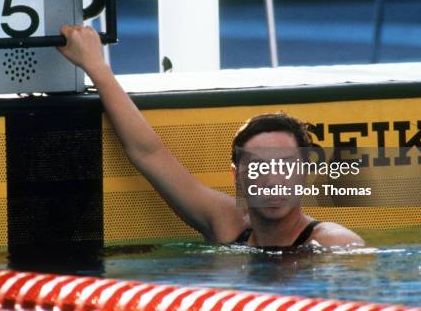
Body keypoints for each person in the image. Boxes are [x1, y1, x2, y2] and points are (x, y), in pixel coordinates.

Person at [58, 25, 364, 248]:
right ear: (238, 178)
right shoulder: (227, 224)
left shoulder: (334, 246)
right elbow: (148, 154)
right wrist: (97, 68)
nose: (272, 180)